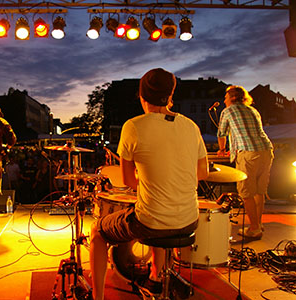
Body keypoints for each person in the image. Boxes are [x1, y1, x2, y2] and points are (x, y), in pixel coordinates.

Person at [89, 68, 209, 299]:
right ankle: (155, 277)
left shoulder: (133, 126)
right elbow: (202, 172)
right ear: (171, 95)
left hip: (151, 221)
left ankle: (98, 297)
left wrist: (147, 178)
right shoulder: (191, 126)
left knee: (97, 232)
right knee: (158, 212)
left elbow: (128, 181)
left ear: (142, 96)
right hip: (189, 220)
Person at [217, 85, 274, 239]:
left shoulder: (228, 111)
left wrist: (222, 149)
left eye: (226, 97)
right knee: (259, 191)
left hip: (248, 152)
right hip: (266, 150)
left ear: (233, 97)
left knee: (246, 192)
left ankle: (254, 228)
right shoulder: (253, 110)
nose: (224, 100)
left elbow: (222, 133)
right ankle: (258, 224)